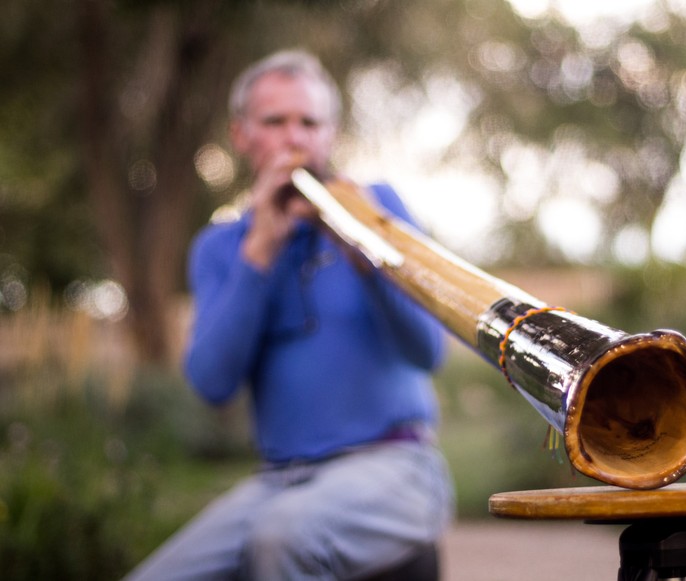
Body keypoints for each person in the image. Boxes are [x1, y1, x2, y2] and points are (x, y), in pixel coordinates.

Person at [124, 49, 455, 580]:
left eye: (309, 122)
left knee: (282, 538)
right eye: (274, 122)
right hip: (280, 480)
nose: (294, 138)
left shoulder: (379, 206)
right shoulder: (220, 247)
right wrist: (258, 255)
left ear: (331, 134)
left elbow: (428, 351)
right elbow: (211, 385)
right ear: (242, 136)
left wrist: (366, 256)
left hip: (397, 467)